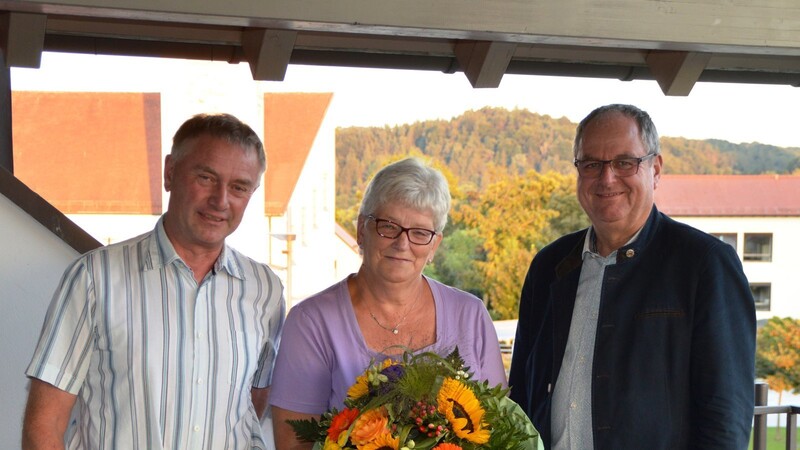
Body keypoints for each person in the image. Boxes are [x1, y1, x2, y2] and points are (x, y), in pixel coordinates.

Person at [22, 113, 286, 449]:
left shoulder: (265, 290)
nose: (221, 200)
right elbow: (45, 425)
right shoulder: (95, 278)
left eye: (239, 187)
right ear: (170, 172)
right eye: (206, 178)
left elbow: (252, 402)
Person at [508, 104, 756, 449]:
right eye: (592, 164)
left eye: (625, 162)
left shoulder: (704, 264)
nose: (607, 178)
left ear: (655, 169)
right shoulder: (549, 266)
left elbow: (725, 418)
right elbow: (519, 393)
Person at [269, 157, 507, 450]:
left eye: (420, 233)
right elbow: (295, 444)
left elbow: (500, 431)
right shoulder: (311, 322)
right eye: (388, 226)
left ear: (434, 245)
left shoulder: (470, 315)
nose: (402, 244)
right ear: (361, 230)